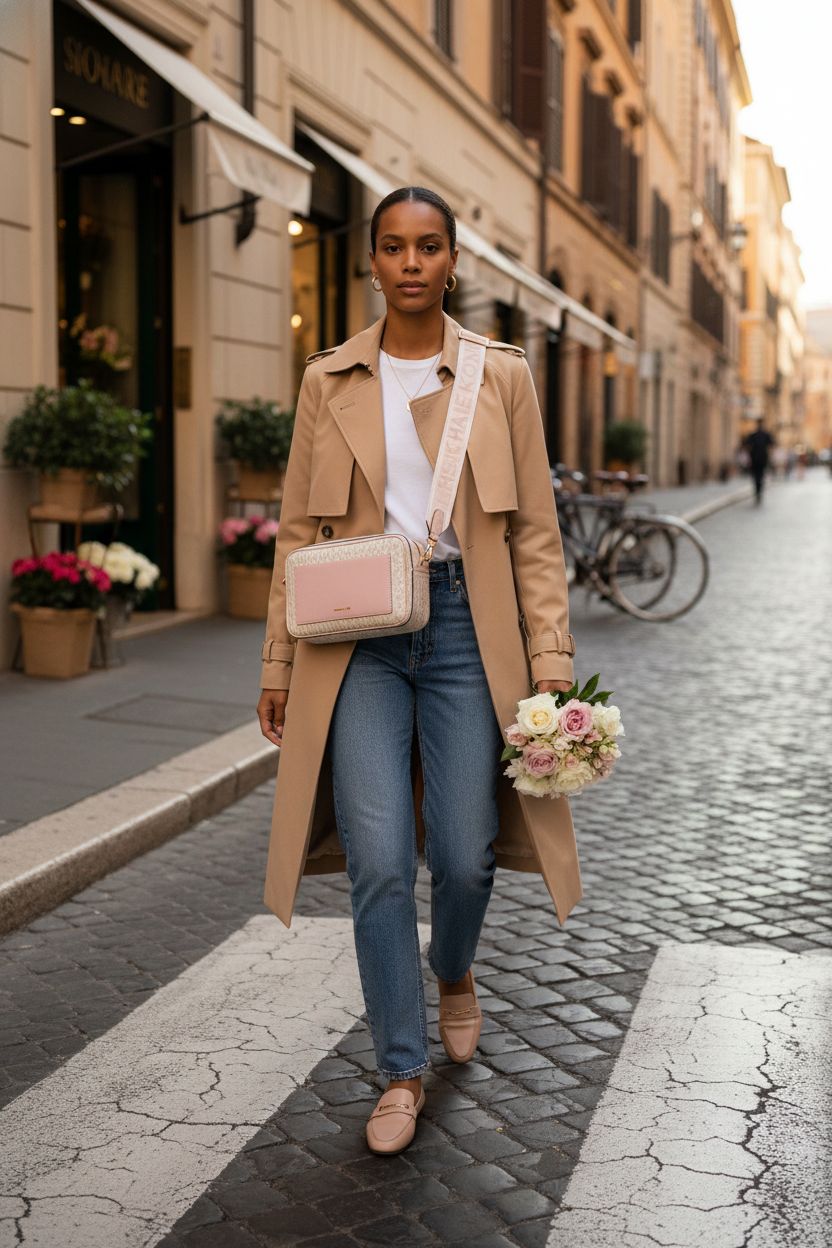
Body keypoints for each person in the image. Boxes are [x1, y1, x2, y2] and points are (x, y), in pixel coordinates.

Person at [256, 187, 580, 1156]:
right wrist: (278, 660)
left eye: (428, 246)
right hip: (355, 638)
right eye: (393, 247)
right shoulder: (328, 378)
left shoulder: (500, 375)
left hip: (465, 633)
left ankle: (455, 970)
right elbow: (296, 531)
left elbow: (535, 535)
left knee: (468, 855)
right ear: (371, 262)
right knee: (382, 863)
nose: (410, 263)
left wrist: (551, 659)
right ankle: (400, 1069)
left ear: (452, 262)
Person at [743, 417, 775, 503]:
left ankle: (758, 492)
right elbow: (771, 445)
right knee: (760, 476)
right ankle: (759, 492)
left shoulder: (753, 435)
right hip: (761, 459)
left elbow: (747, 446)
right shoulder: (765, 435)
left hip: (756, 459)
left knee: (756, 477)